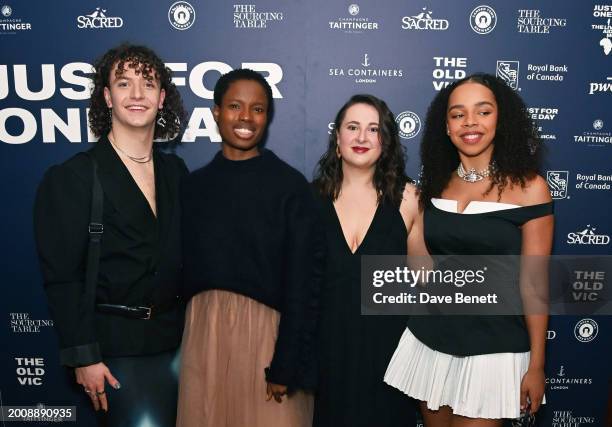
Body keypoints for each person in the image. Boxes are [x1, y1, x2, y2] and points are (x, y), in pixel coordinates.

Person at [384, 73, 554, 425]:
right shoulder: (434, 185)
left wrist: (537, 365)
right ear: (446, 127)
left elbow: (534, 283)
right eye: (458, 114)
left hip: (495, 347)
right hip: (432, 339)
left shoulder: (530, 188)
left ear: (500, 119)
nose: (470, 122)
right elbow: (424, 268)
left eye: (483, 111)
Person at [34, 43, 187, 427]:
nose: (137, 94)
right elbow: (62, 279)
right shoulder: (74, 177)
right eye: (124, 83)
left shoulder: (176, 174)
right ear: (107, 96)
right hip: (117, 352)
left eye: (148, 84)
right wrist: (84, 356)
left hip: (182, 346)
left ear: (162, 97)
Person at [177, 68, 324, 427]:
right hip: (203, 339)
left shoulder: (291, 188)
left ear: (267, 116)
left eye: (257, 109)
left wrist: (286, 364)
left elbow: (305, 284)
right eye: (234, 106)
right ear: (216, 112)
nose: (246, 118)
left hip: (268, 341)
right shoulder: (192, 187)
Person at [312, 94, 421, 427]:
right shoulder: (308, 199)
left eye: (373, 129)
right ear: (338, 138)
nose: (361, 137)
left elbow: (425, 284)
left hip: (389, 358)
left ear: (385, 141)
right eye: (353, 127)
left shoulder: (409, 198)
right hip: (324, 358)